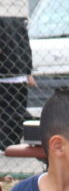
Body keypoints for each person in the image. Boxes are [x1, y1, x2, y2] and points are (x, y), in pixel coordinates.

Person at [0, 12, 35, 149]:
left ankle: (6, 143)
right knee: (16, 110)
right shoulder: (18, 21)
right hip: (17, 70)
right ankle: (10, 142)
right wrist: (27, 71)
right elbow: (26, 47)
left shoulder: (6, 22)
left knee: (10, 111)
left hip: (6, 73)